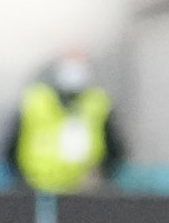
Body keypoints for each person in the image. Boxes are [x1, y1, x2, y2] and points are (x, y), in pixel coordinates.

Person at [13, 51, 114, 191]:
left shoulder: (96, 102)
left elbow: (113, 148)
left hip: (83, 189)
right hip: (37, 188)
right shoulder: (36, 101)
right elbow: (13, 146)